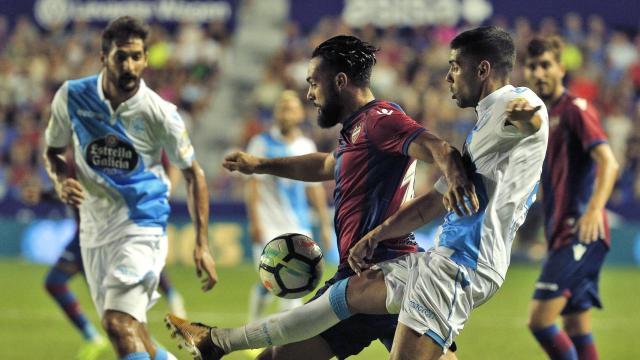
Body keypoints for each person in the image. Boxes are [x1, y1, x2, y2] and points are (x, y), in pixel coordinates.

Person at [164, 26, 548, 360]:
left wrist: (514, 121)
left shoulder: (388, 120)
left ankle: (217, 341)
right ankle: (217, 340)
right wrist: (262, 165)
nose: (447, 76)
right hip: (411, 262)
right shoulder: (371, 132)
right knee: (335, 306)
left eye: (454, 66)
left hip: (454, 266)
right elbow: (341, 171)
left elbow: (519, 121)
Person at [43, 16, 218, 360]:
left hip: (142, 223)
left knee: (118, 323)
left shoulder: (161, 113)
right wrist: (61, 180)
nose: (129, 65)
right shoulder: (72, 97)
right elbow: (53, 152)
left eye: (136, 56)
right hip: (94, 230)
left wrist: (202, 243)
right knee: (137, 334)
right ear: (103, 57)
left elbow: (193, 173)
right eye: (121, 56)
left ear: (146, 58)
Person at [523, 36, 619, 360]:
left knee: (539, 321)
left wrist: (593, 211)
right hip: (559, 231)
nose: (539, 73)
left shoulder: (576, 109)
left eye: (546, 65)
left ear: (561, 68)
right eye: (533, 66)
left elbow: (609, 161)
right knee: (577, 327)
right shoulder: (540, 119)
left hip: (580, 230)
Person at [38, 154, 187, 360]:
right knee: (124, 325)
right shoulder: (83, 148)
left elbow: (176, 164)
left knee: (123, 324)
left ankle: (170, 294)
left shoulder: (125, 143)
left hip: (115, 237)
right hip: (87, 238)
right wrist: (47, 193)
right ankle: (93, 337)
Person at [245, 90, 333, 322]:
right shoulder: (260, 144)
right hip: (268, 226)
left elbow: (315, 190)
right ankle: (263, 329)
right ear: (275, 113)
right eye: (282, 107)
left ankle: (266, 333)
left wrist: (324, 225)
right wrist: (254, 222)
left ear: (300, 114)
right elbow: (253, 187)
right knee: (280, 284)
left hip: (298, 226)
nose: (286, 113)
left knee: (285, 284)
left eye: (291, 108)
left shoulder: (306, 145)